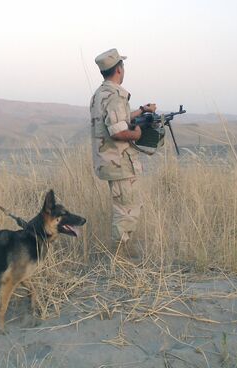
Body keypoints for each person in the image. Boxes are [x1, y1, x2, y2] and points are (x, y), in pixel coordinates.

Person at [89, 48, 157, 259]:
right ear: (119, 69)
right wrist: (137, 134)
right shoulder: (116, 95)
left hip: (109, 162)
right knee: (127, 211)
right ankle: (118, 258)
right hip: (119, 163)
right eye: (123, 66)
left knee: (126, 207)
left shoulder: (101, 94)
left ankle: (120, 255)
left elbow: (116, 117)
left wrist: (141, 111)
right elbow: (118, 131)